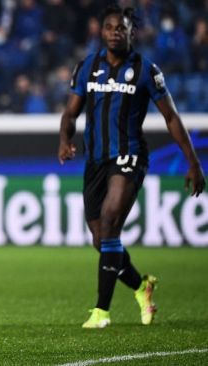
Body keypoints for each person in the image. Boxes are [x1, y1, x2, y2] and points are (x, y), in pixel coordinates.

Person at [58, 5, 205, 329]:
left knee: (111, 222)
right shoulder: (88, 67)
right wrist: (64, 140)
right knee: (101, 239)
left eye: (121, 28)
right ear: (102, 31)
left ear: (131, 33)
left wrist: (193, 163)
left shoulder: (145, 70)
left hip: (129, 156)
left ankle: (101, 311)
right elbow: (70, 113)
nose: (115, 32)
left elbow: (171, 117)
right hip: (95, 160)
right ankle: (142, 286)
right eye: (110, 27)